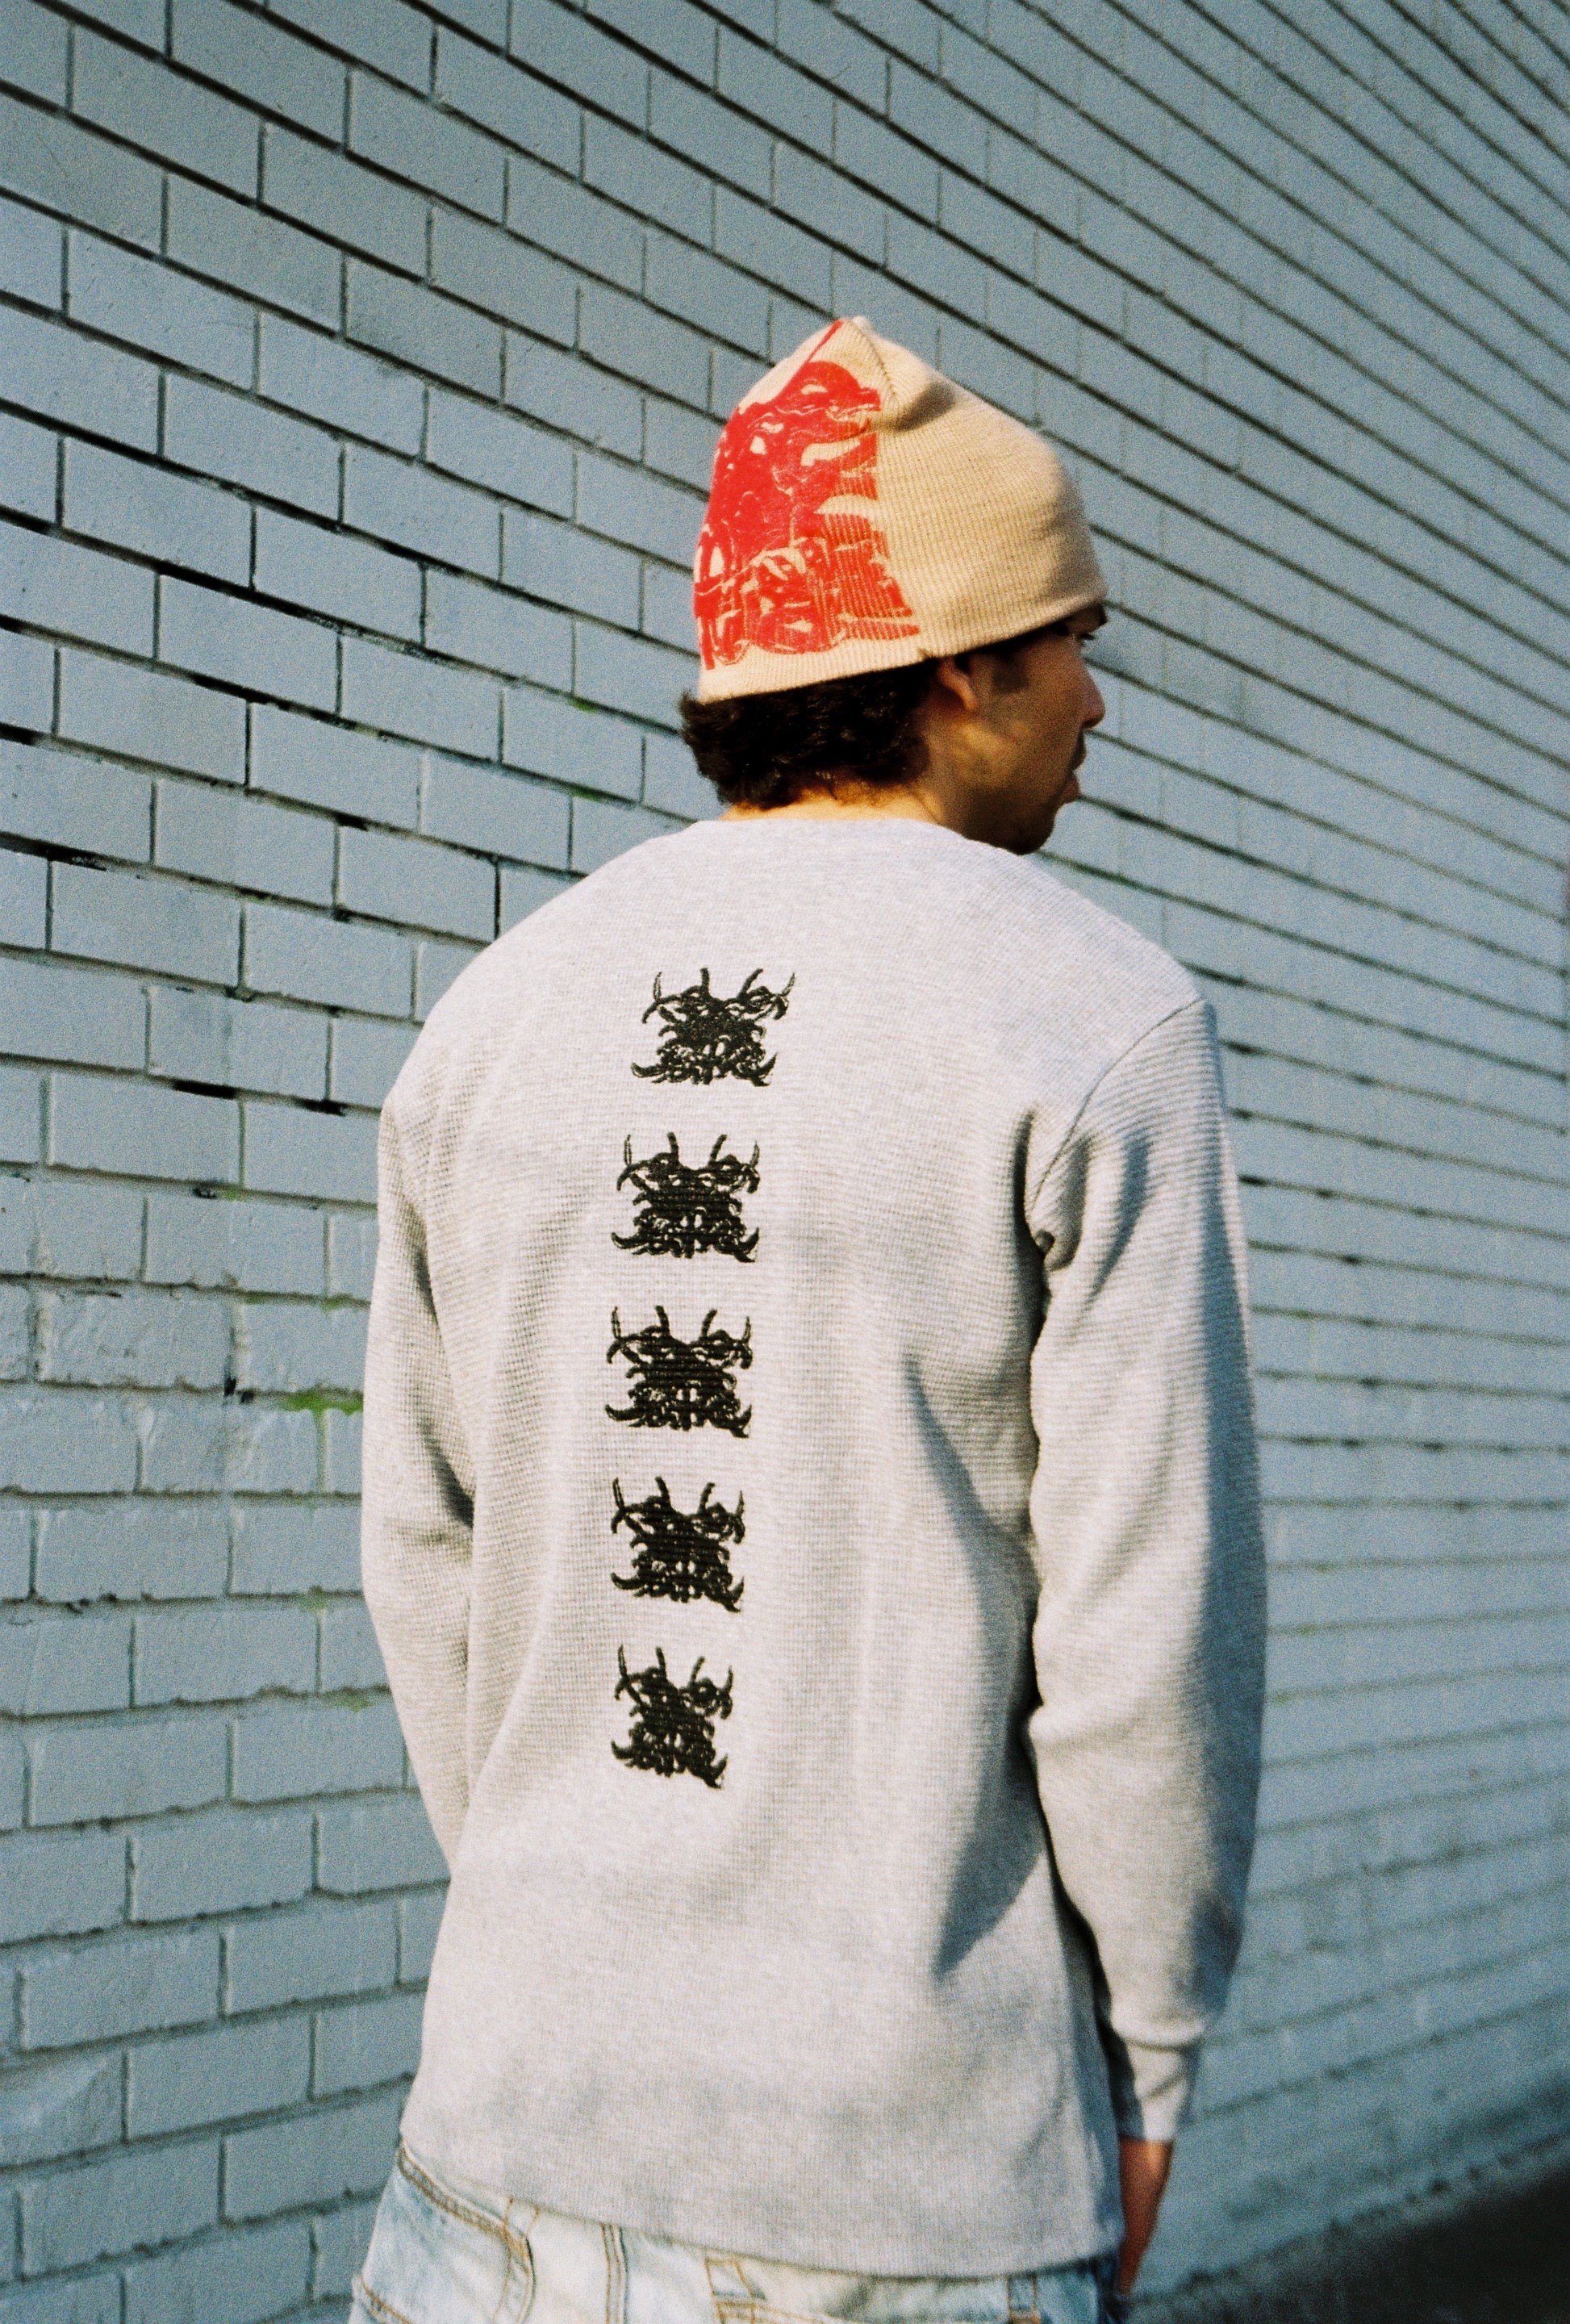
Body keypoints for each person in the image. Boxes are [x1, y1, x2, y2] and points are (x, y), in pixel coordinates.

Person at [355, 319, 1267, 2324]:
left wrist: (554, 1909)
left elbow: (430, 1564)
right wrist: (1154, 2051)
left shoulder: (495, 1014)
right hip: (898, 2183)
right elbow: (1145, 1634)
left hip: (496, 2163)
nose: (1097, 705)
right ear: (959, 668)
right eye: (1072, 643)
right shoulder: (1092, 1018)